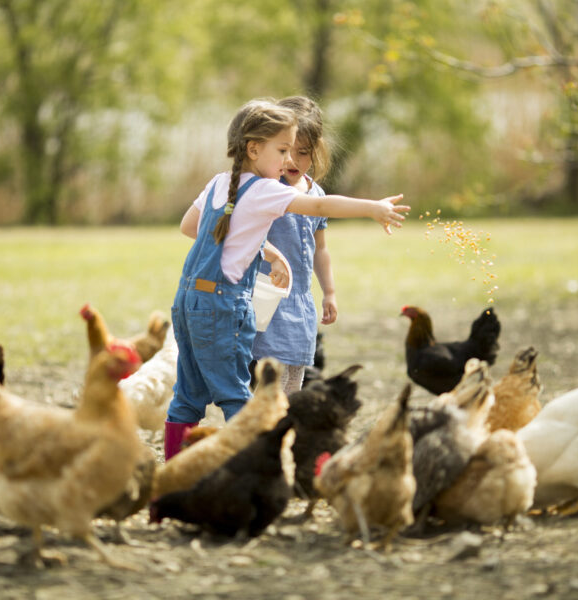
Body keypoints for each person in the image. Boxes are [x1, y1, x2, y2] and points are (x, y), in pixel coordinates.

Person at [162, 98, 408, 461]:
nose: (287, 160)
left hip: (188, 303)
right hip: (221, 306)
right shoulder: (265, 190)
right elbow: (321, 207)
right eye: (282, 150)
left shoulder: (219, 183)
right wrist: (372, 208)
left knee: (187, 397)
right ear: (253, 148)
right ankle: (247, 473)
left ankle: (171, 477)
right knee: (239, 398)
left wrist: (263, 248)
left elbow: (191, 227)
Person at [251, 96, 335, 395]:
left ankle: (286, 427)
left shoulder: (316, 192)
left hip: (300, 300)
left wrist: (329, 292)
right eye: (285, 151)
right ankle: (262, 427)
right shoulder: (266, 189)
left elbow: (320, 249)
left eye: (303, 153)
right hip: (267, 294)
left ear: (316, 151)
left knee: (295, 378)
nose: (293, 162)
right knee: (265, 377)